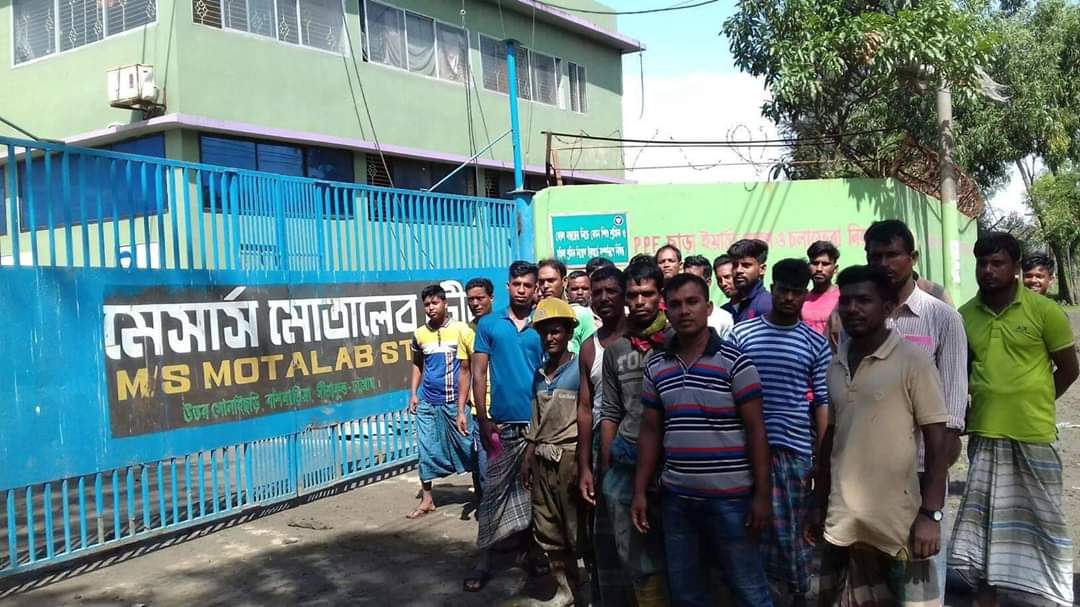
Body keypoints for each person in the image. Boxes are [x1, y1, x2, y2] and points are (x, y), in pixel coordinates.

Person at [949, 233, 1079, 607]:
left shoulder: (1044, 311)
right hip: (985, 433)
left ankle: (1050, 595)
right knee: (987, 523)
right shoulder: (965, 315)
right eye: (982, 263)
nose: (988, 270)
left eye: (998, 263)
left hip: (1034, 433)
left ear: (1016, 267)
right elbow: (961, 374)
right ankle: (986, 593)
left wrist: (1036, 401)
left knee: (1043, 519)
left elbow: (1070, 369)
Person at [632, 273, 774, 607]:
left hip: (732, 500)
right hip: (678, 500)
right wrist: (639, 490)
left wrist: (762, 495)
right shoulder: (657, 366)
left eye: (692, 302)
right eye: (676, 305)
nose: (684, 311)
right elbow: (650, 431)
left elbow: (756, 430)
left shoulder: (736, 363)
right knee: (687, 594)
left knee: (749, 590)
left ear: (708, 308)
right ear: (667, 311)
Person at [812, 265, 949, 606]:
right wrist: (816, 503)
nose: (853, 308)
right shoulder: (836, 364)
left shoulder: (914, 362)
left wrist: (931, 515)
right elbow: (833, 437)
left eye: (864, 300)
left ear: (887, 309)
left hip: (897, 526)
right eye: (846, 301)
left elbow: (938, 443)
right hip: (842, 522)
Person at [863, 219, 968, 592]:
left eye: (892, 255)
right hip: (865, 476)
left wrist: (931, 512)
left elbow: (951, 420)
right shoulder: (857, 318)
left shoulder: (943, 319)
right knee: (872, 589)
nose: (884, 264)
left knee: (919, 590)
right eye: (875, 256)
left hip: (921, 474)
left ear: (913, 257)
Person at [728, 259, 831, 606]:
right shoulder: (741, 335)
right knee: (749, 535)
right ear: (772, 289)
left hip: (794, 454)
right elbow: (727, 390)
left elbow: (822, 403)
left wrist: (821, 458)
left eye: (796, 292)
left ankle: (797, 597)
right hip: (745, 453)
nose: (789, 298)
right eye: (783, 290)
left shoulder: (815, 343)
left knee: (793, 539)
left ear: (805, 294)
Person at [465, 261, 545, 592]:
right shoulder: (489, 324)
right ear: (508, 286)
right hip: (501, 426)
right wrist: (483, 418)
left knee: (535, 494)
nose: (522, 290)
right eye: (517, 284)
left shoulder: (544, 322)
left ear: (536, 288)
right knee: (492, 495)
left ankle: (531, 554)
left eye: (528, 285)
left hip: (538, 424)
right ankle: (483, 562)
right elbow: (478, 372)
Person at [597, 260, 671, 605]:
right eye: (633, 295)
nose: (639, 302)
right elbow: (611, 411)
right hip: (628, 460)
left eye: (647, 294)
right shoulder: (616, 349)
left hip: (674, 462)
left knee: (681, 552)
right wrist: (608, 467)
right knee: (637, 557)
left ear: (660, 296)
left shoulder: (677, 340)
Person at [576, 265, 636, 606]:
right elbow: (585, 409)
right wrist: (585, 465)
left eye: (611, 291)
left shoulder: (642, 339)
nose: (603, 298)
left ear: (624, 294)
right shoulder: (589, 348)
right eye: (597, 292)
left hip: (640, 444)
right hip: (604, 448)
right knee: (607, 536)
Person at [521, 297, 584, 606]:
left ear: (569, 333)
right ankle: (565, 589)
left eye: (556, 331)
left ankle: (589, 588)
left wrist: (583, 461)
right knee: (547, 528)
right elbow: (535, 419)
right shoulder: (539, 373)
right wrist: (528, 457)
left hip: (570, 457)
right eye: (545, 332)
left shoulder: (580, 368)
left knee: (577, 529)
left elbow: (589, 416)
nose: (550, 337)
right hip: (542, 458)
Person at [408, 284, 476, 519]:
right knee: (425, 449)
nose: (431, 308)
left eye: (435, 303)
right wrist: (414, 393)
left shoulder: (462, 330)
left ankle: (482, 493)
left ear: (445, 303)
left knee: (469, 447)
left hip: (456, 403)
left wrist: (468, 398)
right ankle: (427, 499)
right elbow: (417, 363)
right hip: (428, 402)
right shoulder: (420, 334)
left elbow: (472, 366)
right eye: (427, 304)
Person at [457, 277, 495, 505]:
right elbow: (465, 371)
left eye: (480, 298)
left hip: (504, 410)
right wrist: (460, 410)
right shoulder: (465, 331)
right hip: (479, 412)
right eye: (471, 299)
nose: (475, 303)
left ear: (491, 298)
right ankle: (487, 511)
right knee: (483, 468)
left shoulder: (502, 326)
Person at [538, 258, 597, 354]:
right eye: (541, 282)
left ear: (564, 281)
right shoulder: (538, 315)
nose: (545, 286)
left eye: (551, 280)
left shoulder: (580, 314)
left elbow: (592, 352)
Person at [683, 254, 734, 338]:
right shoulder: (678, 314)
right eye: (685, 279)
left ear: (708, 282)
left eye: (695, 279)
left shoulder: (724, 319)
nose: (688, 284)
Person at [723, 239, 772, 323]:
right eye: (735, 265)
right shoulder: (736, 305)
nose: (738, 270)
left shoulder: (765, 305)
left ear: (762, 269)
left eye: (746, 265)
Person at [802, 240, 841, 344]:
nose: (819, 269)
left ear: (835, 269)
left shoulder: (842, 298)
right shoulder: (802, 299)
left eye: (825, 264)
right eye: (815, 263)